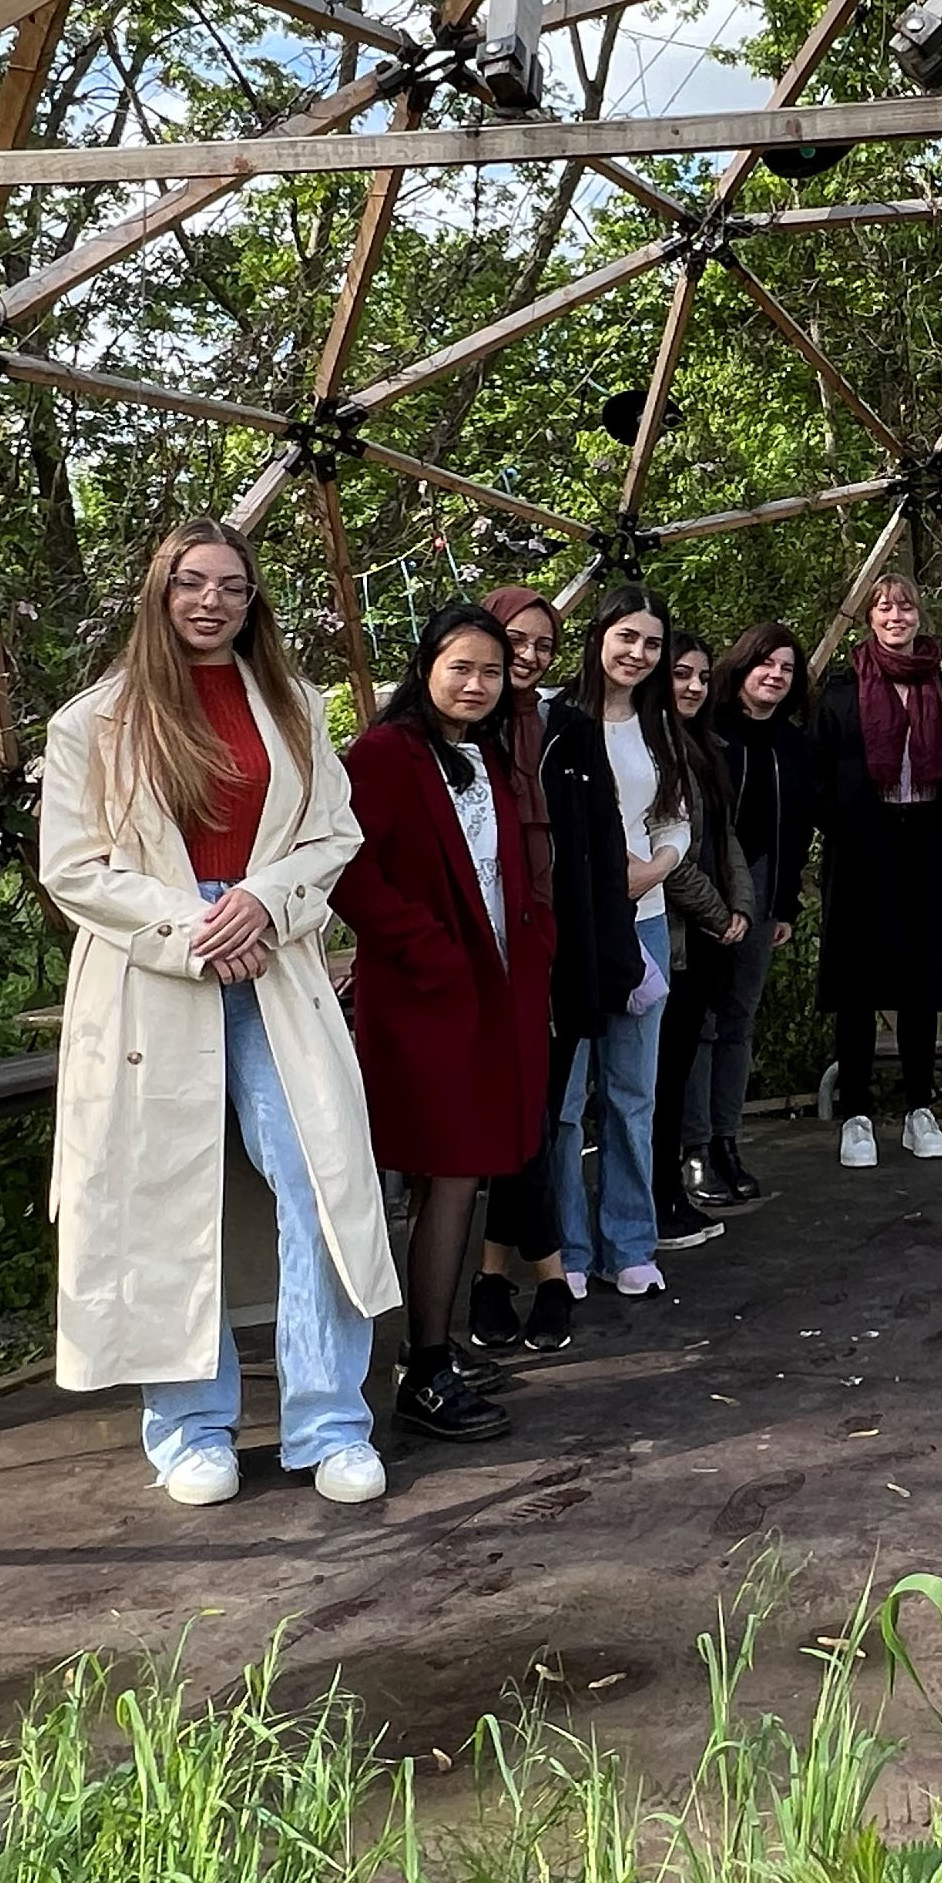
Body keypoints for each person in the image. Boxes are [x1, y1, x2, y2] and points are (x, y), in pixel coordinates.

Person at [38, 521, 395, 1510]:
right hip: (157, 977)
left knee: (318, 1180)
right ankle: (192, 1428)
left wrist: (263, 902)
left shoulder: (291, 707)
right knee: (164, 1198)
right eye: (192, 583)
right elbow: (74, 866)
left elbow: (334, 832)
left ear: (253, 601)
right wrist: (196, 921)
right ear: (158, 591)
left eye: (232, 587)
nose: (211, 602)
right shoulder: (95, 722)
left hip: (272, 961)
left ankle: (330, 1421)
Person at [334, 604, 552, 1445]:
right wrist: (426, 949)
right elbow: (346, 868)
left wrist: (536, 940)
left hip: (494, 990)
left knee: (456, 1175)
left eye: (491, 672)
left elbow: (505, 868)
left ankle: (433, 1343)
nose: (476, 683)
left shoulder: (478, 754)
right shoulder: (385, 755)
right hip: (429, 996)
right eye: (461, 666)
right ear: (425, 666)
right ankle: (424, 1368)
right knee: (453, 1173)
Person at [810, 572, 942, 1166]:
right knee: (859, 980)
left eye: (906, 607)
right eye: (885, 608)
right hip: (865, 845)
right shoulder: (841, 690)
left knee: (923, 979)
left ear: (920, 616)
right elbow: (817, 773)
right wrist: (840, 824)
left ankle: (920, 1106)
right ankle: (857, 1113)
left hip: (930, 843)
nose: (896, 617)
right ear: (870, 618)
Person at [547, 587, 691, 1297]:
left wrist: (653, 869)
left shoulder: (660, 727)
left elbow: (677, 820)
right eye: (626, 637)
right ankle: (567, 1248)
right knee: (566, 1098)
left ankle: (629, 1241)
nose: (638, 653)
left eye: (652, 643)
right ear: (598, 635)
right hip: (570, 927)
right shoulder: (554, 717)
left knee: (633, 1091)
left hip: (644, 921)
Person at [468, 583, 597, 1356]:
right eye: (516, 639)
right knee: (508, 1123)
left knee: (537, 1121)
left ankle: (501, 1278)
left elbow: (598, 840)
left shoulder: (566, 728)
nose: (528, 656)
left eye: (544, 646)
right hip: (479, 953)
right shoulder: (453, 729)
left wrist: (600, 955)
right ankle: (541, 1275)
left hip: (553, 947)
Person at [688, 623, 811, 1207]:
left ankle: (726, 1139)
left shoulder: (791, 742)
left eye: (786, 668)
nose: (775, 676)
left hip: (764, 893)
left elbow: (797, 829)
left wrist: (784, 903)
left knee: (739, 1016)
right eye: (765, 664)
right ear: (740, 668)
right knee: (701, 1022)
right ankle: (693, 1148)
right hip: (704, 894)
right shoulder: (708, 733)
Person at [649, 628, 755, 1249]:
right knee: (660, 1079)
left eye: (701, 676)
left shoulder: (707, 747)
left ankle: (671, 1194)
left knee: (683, 1059)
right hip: (675, 930)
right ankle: (657, 1198)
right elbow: (665, 848)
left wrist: (741, 903)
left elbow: (724, 837)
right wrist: (716, 911)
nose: (692, 686)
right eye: (680, 674)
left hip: (712, 928)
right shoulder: (648, 749)